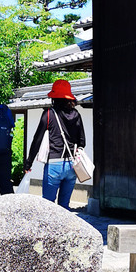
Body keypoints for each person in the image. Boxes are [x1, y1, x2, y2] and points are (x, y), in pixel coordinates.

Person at [24, 79, 86, 209]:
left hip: (54, 164)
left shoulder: (48, 114)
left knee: (48, 207)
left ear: (54, 97)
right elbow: (82, 142)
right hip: (71, 165)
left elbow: (37, 140)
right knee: (64, 207)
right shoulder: (77, 115)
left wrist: (29, 163)